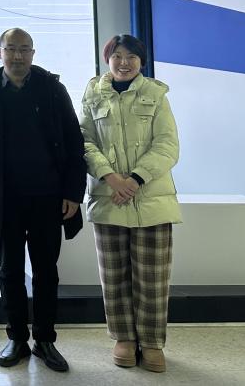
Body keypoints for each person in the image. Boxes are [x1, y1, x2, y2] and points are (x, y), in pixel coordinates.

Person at [0, 28, 87, 372]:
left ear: (33, 53)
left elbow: (73, 142)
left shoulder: (52, 89)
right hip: (4, 198)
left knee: (46, 271)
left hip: (48, 196)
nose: (17, 56)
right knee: (9, 271)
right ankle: (16, 338)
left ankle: (45, 340)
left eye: (24, 50)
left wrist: (73, 192)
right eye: (11, 49)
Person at [80, 34, 180, 373]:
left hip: (150, 197)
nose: (124, 63)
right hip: (109, 196)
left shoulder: (156, 94)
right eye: (117, 56)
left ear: (141, 61)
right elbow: (84, 142)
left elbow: (167, 145)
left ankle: (151, 342)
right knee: (114, 276)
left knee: (153, 278)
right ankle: (123, 337)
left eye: (131, 57)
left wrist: (135, 179)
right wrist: (112, 178)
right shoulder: (93, 94)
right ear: (107, 59)